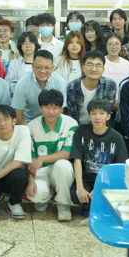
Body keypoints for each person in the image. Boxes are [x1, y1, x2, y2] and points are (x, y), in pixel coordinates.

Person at [26, 89, 78, 221]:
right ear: (40, 108)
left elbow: (67, 153)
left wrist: (42, 158)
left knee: (63, 165)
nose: (51, 112)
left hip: (60, 169)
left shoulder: (71, 124)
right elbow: (31, 160)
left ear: (61, 108)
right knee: (34, 195)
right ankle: (47, 197)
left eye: (55, 108)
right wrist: (31, 181)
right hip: (41, 170)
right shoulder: (31, 126)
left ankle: (63, 203)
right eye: (47, 107)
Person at [71, 99, 127, 217]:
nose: (97, 117)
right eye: (94, 113)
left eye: (102, 113)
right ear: (89, 116)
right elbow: (77, 159)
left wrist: (100, 187)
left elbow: (119, 168)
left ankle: (93, 208)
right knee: (75, 195)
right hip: (87, 179)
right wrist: (79, 187)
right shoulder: (81, 131)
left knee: (109, 195)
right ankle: (95, 206)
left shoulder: (117, 138)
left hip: (106, 180)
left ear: (108, 117)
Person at [0, 105, 30, 220]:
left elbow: (18, 162)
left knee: (20, 175)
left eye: (6, 119)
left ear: (14, 121)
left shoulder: (23, 131)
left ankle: (14, 203)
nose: (2, 123)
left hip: (12, 176)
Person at [12, 50, 67, 125]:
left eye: (47, 68)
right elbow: (18, 115)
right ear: (32, 67)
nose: (43, 71)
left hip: (52, 122)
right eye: (39, 67)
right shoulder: (22, 83)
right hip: (29, 122)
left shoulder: (59, 82)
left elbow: (60, 110)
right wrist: (27, 130)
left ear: (52, 68)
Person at [65, 51, 117, 126]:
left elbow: (106, 111)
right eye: (90, 65)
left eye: (98, 65)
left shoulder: (109, 85)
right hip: (76, 127)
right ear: (83, 68)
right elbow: (70, 115)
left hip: (99, 126)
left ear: (103, 69)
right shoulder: (72, 87)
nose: (94, 69)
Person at [5, 31, 39, 97]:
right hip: (18, 97)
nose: (28, 46)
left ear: (35, 45)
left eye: (31, 43)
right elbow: (10, 83)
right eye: (24, 43)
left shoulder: (40, 63)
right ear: (20, 46)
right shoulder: (14, 63)